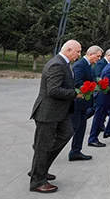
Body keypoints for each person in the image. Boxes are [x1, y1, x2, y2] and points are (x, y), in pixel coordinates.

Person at [28, 40, 83, 194]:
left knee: (67, 133)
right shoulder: (57, 64)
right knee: (42, 147)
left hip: (61, 112)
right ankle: (37, 181)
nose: (79, 55)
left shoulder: (65, 63)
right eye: (78, 52)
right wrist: (75, 93)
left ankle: (40, 169)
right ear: (69, 49)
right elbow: (53, 91)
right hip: (48, 113)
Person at [68, 45, 103, 162]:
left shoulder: (88, 65)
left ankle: (75, 151)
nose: (98, 59)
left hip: (84, 103)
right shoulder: (80, 65)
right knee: (71, 129)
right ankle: (49, 148)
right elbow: (78, 82)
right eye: (98, 56)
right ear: (91, 54)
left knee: (81, 128)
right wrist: (91, 88)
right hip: (77, 103)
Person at [88, 53, 110, 147]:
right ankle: (92, 139)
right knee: (99, 118)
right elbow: (105, 83)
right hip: (104, 97)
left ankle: (108, 131)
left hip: (109, 97)